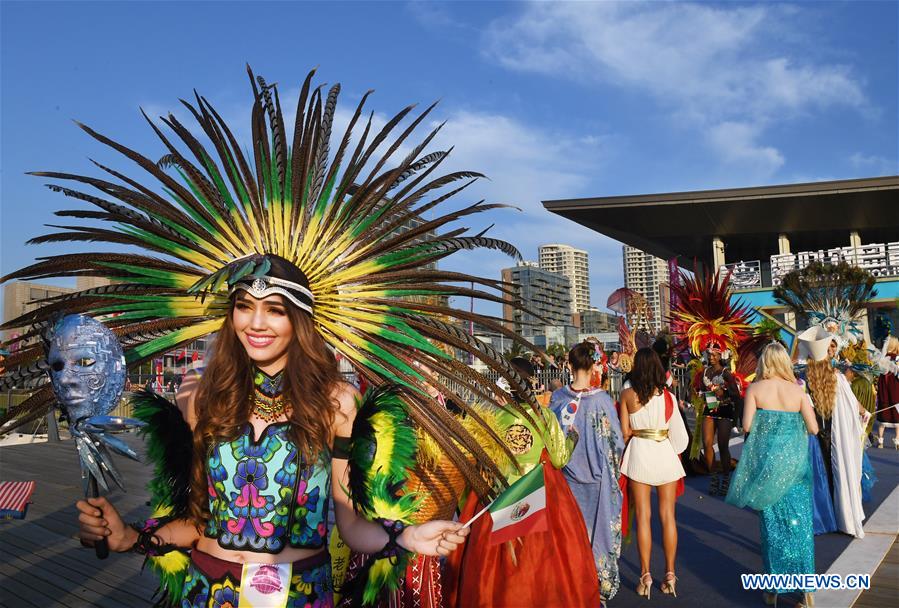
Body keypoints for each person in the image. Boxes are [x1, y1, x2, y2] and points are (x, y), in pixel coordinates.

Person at [76, 257, 470, 606]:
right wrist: (131, 537)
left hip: (301, 594)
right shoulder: (202, 396)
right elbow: (198, 520)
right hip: (207, 591)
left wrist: (407, 537)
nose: (256, 323)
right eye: (244, 306)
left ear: (300, 319)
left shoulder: (337, 402)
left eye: (275, 310)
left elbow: (350, 523)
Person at [445, 357, 602, 608]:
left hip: (499, 495)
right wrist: (572, 438)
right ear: (531, 383)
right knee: (543, 560)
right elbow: (559, 459)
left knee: (493, 564)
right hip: (537, 493)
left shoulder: (494, 416)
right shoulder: (544, 416)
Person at [725, 342, 818, 608]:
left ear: (765, 362)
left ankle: (773, 591)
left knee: (772, 529)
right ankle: (807, 592)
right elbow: (813, 428)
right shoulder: (797, 391)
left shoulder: (755, 389)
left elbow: (746, 425)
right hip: (795, 467)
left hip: (768, 467)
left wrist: (769, 422)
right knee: (800, 527)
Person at [550, 342, 624, 602]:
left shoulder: (558, 398)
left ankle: (570, 587)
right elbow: (616, 442)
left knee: (568, 535)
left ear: (569, 365)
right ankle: (595, 590)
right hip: (598, 477)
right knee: (597, 534)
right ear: (594, 366)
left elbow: (550, 438)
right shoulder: (602, 400)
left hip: (565, 477)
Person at [619, 348, 688, 599]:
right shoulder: (668, 397)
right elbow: (681, 437)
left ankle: (645, 575)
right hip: (664, 452)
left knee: (643, 517)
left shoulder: (627, 395)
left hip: (639, 453)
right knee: (668, 516)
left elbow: (624, 433)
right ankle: (670, 574)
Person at [801, 327, 869, 538]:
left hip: (811, 435)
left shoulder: (803, 379)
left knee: (817, 477)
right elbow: (853, 406)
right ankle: (841, 515)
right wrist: (864, 413)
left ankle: (823, 516)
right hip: (834, 435)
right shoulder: (837, 379)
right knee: (837, 473)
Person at [701, 345, 742, 496]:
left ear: (720, 356)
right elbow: (700, 388)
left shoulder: (726, 373)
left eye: (714, 355)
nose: (711, 357)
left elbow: (736, 395)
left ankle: (725, 477)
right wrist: (701, 394)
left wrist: (723, 393)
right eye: (709, 354)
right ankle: (713, 477)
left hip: (724, 410)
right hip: (709, 409)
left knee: (723, 446)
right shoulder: (705, 372)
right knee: (707, 444)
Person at [876, 336, 899, 449]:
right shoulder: (897, 359)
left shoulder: (882, 358)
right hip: (895, 391)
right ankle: (897, 440)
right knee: (897, 417)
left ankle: (880, 440)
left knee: (883, 416)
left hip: (884, 390)